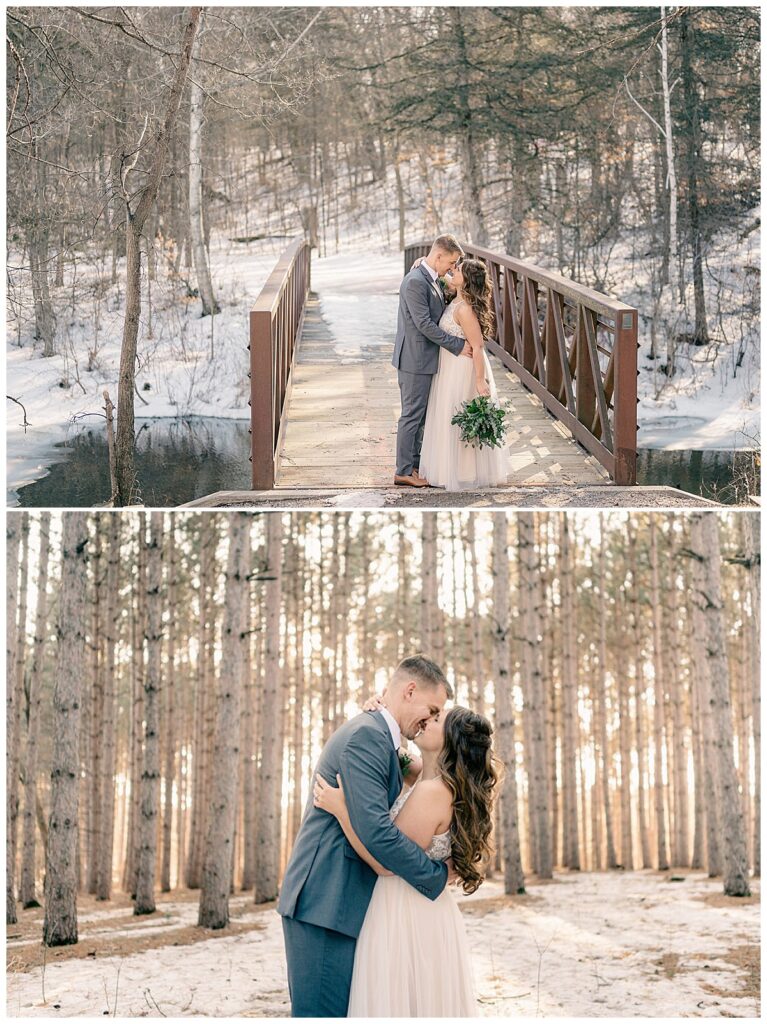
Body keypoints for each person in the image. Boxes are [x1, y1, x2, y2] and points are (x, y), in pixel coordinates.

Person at [277, 656, 453, 1017]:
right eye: (431, 709)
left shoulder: (383, 738)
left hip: (340, 903)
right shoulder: (367, 736)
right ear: (409, 691)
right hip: (325, 901)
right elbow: (377, 833)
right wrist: (435, 876)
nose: (429, 719)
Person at [314, 698, 501, 1017]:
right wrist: (380, 711)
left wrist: (342, 811)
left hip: (405, 913)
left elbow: (384, 863)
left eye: (438, 717)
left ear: (450, 740)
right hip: (421, 911)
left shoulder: (434, 791)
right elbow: (395, 748)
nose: (428, 718)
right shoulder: (427, 779)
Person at [419, 257, 511, 489]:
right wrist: (426, 263)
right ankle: (446, 469)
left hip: (462, 369)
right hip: (449, 366)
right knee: (446, 414)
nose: (453, 270)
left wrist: (480, 380)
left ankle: (463, 472)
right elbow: (443, 277)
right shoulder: (456, 297)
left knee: (457, 414)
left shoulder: (465, 309)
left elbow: (478, 346)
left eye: (457, 269)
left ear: (466, 280)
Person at [392, 234, 474, 488]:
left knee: (421, 416)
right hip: (415, 359)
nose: (452, 268)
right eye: (450, 262)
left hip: (425, 358)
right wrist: (458, 345)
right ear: (438, 256)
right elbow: (424, 324)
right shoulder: (416, 281)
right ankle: (403, 471)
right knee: (412, 415)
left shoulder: (430, 275)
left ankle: (414, 464)